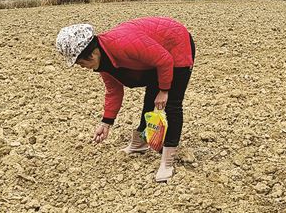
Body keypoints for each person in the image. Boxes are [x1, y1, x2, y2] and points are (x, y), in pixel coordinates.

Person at [55, 17, 195, 182]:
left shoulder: (124, 44)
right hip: (157, 52)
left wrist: (164, 90)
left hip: (176, 43)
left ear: (91, 55)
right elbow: (113, 91)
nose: (82, 67)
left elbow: (164, 60)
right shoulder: (103, 60)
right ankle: (140, 142)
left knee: (172, 104)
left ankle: (167, 161)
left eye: (80, 63)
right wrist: (106, 122)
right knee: (151, 99)